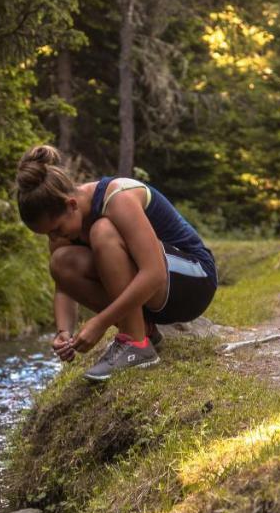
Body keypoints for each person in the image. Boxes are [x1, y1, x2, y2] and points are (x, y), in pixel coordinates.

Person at [15, 144, 218, 381]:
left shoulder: (117, 197)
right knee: (61, 263)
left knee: (103, 230)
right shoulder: (64, 229)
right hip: (155, 299)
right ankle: (143, 332)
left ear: (71, 205)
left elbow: (155, 274)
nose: (54, 238)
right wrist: (63, 332)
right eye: (47, 234)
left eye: (56, 229)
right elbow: (64, 287)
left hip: (195, 279)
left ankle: (135, 343)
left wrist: (101, 322)